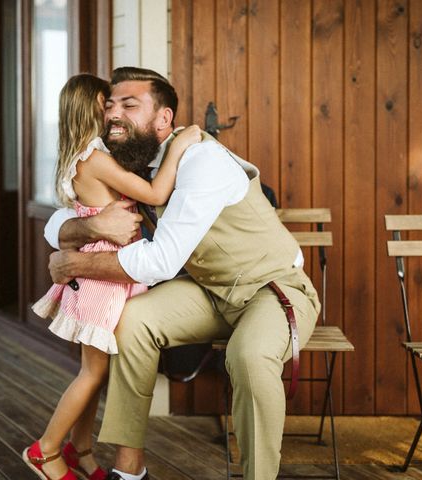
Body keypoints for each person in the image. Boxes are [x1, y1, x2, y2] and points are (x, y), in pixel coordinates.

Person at [44, 67, 321, 480]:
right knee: (131, 321)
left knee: (249, 356)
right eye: (111, 105)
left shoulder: (201, 161)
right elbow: (61, 219)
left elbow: (161, 261)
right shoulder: (130, 164)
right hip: (211, 292)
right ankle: (129, 469)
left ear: (163, 119)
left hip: (272, 288)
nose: (114, 115)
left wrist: (74, 262)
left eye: (129, 105)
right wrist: (85, 229)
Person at [22, 73, 201, 480]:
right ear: (93, 109)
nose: (115, 113)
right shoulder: (96, 159)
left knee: (97, 370)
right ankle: (44, 451)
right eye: (108, 105)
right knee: (93, 371)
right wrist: (182, 146)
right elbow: (154, 194)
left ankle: (80, 451)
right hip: (104, 276)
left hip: (105, 273)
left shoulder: (87, 156)